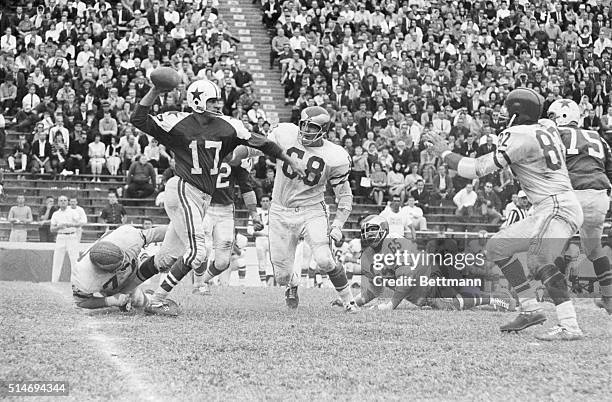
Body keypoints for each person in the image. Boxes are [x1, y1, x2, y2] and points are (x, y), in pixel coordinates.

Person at [130, 79, 304, 316]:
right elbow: (138, 119)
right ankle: (158, 299)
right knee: (198, 253)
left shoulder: (228, 125)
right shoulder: (177, 121)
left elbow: (262, 143)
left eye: (218, 100)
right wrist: (155, 90)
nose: (218, 104)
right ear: (197, 100)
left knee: (167, 258)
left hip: (202, 197)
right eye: (212, 100)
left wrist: (288, 159)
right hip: (183, 188)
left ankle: (123, 287)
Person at [425, 88, 585, 341]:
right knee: (497, 247)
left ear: (518, 113)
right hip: (550, 207)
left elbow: (476, 168)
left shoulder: (520, 134)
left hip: (556, 206)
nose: (502, 116)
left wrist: (444, 152)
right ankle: (530, 309)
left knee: (540, 258)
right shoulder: (545, 126)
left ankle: (570, 325)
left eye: (506, 111)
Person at [248, 106, 358, 312]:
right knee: (281, 276)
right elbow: (258, 146)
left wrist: (338, 224)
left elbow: (344, 195)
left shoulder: (335, 156)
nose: (306, 130)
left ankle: (349, 302)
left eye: (312, 126)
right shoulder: (285, 133)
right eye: (304, 124)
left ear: (324, 129)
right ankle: (293, 283)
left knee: (325, 259)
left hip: (312, 209)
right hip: (280, 209)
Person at [341, 215, 515, 312]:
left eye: (372, 230)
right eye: (365, 231)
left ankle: (496, 297)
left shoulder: (393, 242)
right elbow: (374, 287)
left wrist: (391, 304)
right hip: (422, 289)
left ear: (384, 229)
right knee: (441, 303)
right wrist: (354, 301)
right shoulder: (367, 256)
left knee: (445, 304)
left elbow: (406, 276)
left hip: (433, 273)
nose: (368, 234)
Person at [548, 99, 612, 314]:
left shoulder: (557, 135)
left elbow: (550, 167)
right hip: (599, 195)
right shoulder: (598, 138)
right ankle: (609, 299)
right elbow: (609, 170)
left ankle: (556, 296)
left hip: (573, 193)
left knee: (552, 245)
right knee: (595, 250)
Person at [192, 154, 264, 295]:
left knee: (223, 262)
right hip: (205, 205)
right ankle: (199, 285)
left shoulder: (236, 156)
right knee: (204, 248)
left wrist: (254, 213)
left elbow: (246, 187)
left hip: (226, 209)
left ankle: (203, 281)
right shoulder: (205, 150)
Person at [71, 224, 168, 311]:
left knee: (156, 261)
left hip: (134, 261)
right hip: (110, 285)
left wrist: (178, 233)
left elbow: (155, 233)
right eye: (119, 267)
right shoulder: (84, 276)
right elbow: (81, 302)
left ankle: (144, 297)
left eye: (124, 260)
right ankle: (142, 298)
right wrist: (109, 301)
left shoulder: (128, 238)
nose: (124, 265)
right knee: (136, 301)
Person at [50, 195, 86, 282]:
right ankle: (54, 281)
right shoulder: (56, 214)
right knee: (57, 259)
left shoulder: (73, 212)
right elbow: (52, 229)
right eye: (61, 200)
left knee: (74, 259)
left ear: (67, 202)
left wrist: (71, 225)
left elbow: (80, 223)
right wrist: (59, 226)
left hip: (71, 235)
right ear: (58, 202)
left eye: (65, 200)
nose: (63, 202)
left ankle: (74, 281)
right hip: (61, 236)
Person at [247, 194, 273, 286]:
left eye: (267, 201)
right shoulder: (256, 213)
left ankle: (274, 282)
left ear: (270, 202)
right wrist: (261, 234)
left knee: (274, 261)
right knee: (261, 262)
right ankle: (263, 284)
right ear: (261, 202)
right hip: (260, 240)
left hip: (272, 240)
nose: (265, 203)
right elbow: (249, 230)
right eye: (264, 201)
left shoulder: (274, 213)